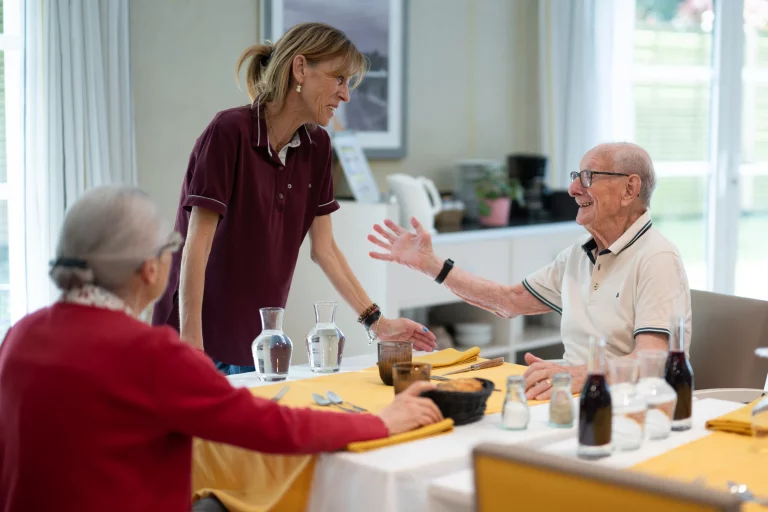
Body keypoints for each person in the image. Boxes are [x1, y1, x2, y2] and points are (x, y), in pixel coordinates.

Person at [0, 186, 443, 512]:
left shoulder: (19, 336)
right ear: (150, 270)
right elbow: (272, 428)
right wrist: (379, 422)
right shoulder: (150, 354)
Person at [151, 22, 436, 375]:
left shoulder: (318, 147)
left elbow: (325, 250)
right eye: (339, 79)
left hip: (258, 342)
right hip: (194, 336)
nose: (345, 95)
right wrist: (192, 344)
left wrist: (378, 323)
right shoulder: (229, 131)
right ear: (300, 68)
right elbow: (198, 243)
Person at [367, 142, 692, 400]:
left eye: (588, 177)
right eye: (575, 176)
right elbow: (508, 301)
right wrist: (432, 265)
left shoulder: (657, 258)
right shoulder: (578, 255)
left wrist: (579, 374)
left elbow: (654, 361)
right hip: (575, 396)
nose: (573, 188)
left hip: (630, 408)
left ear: (629, 189)